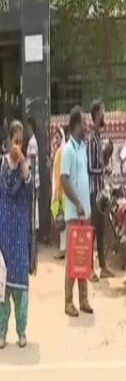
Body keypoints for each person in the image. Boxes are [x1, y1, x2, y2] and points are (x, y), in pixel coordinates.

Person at [0, 120, 34, 349]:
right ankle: (2, 332)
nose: (18, 146)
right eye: (16, 141)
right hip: (4, 233)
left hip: (19, 233)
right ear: (8, 141)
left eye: (21, 142)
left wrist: (22, 158)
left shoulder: (25, 165)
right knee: (2, 286)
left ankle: (21, 331)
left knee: (21, 286)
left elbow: (28, 180)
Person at [61, 106, 95, 317]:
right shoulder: (68, 150)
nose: (87, 126)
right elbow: (64, 179)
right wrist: (77, 201)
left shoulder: (82, 147)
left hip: (86, 213)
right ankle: (68, 302)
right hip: (74, 214)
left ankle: (83, 300)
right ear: (75, 125)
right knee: (73, 258)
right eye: (84, 122)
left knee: (84, 258)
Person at [87, 100, 115, 280]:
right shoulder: (92, 139)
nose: (104, 115)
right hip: (94, 192)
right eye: (103, 112)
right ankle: (90, 269)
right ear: (96, 115)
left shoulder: (98, 137)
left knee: (101, 228)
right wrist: (104, 170)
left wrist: (104, 166)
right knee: (94, 230)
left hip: (99, 191)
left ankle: (102, 267)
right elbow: (90, 168)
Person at [51, 126, 68, 260]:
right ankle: (63, 248)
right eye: (54, 137)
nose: (55, 139)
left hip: (62, 193)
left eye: (57, 137)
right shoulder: (58, 152)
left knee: (63, 223)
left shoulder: (63, 152)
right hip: (57, 191)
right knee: (61, 222)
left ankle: (64, 249)